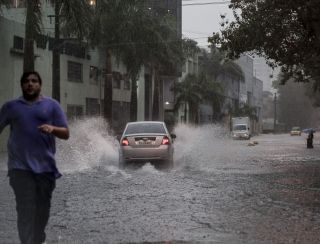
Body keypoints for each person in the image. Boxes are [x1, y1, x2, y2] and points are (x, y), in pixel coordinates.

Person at [0, 71, 69, 244]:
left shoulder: (52, 105)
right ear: (21, 85)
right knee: (25, 211)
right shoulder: (11, 107)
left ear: (40, 85)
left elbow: (66, 133)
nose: (30, 84)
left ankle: (38, 239)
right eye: (26, 81)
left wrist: (52, 129)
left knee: (41, 212)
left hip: (45, 169)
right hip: (19, 169)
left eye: (34, 81)